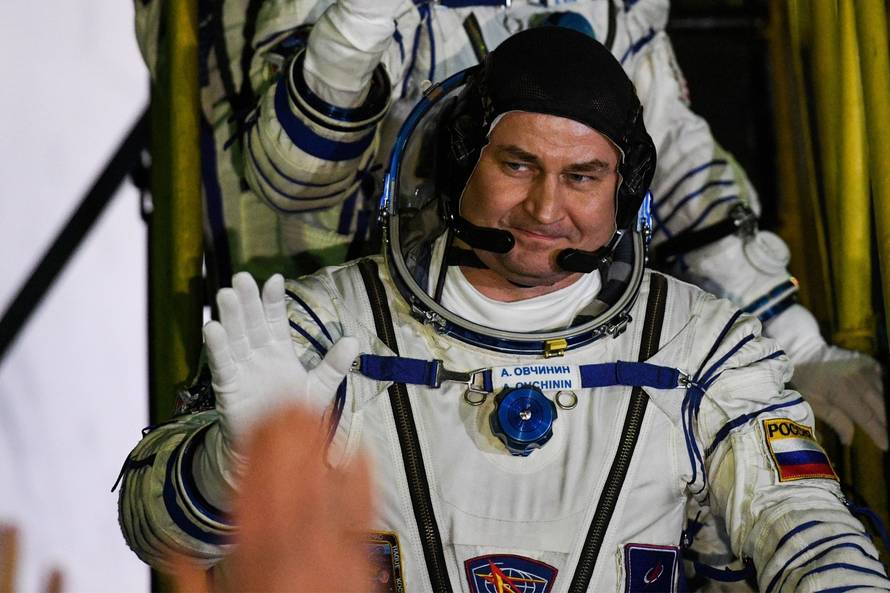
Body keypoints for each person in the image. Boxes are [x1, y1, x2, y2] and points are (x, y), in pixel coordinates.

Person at [118, 28, 890, 592]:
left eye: (583, 176)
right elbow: (154, 533)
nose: (546, 207)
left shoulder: (703, 350)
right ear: (460, 165)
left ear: (624, 195)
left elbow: (808, 530)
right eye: (518, 165)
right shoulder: (327, 331)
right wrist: (237, 461)